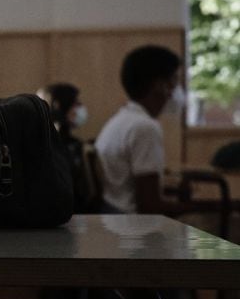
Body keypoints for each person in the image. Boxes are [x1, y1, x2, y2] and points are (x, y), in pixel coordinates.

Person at [96, 45, 186, 215]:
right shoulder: (145, 128)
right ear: (159, 85)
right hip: (133, 227)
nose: (177, 90)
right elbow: (150, 207)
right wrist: (207, 208)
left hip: (113, 216)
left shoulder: (120, 120)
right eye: (174, 80)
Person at [39, 82, 91, 212]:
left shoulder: (74, 144)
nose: (80, 108)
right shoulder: (64, 146)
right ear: (60, 106)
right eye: (76, 103)